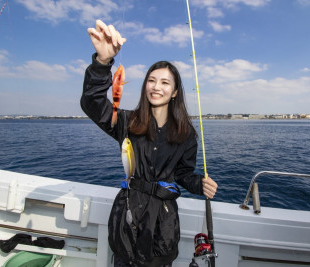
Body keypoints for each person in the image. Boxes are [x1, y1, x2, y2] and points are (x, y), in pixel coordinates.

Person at [81, 20, 218, 267]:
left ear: (175, 92)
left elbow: (184, 174)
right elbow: (92, 104)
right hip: (127, 218)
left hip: (162, 226)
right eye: (151, 80)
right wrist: (102, 64)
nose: (156, 87)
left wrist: (199, 184)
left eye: (165, 82)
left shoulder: (187, 135)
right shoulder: (126, 122)